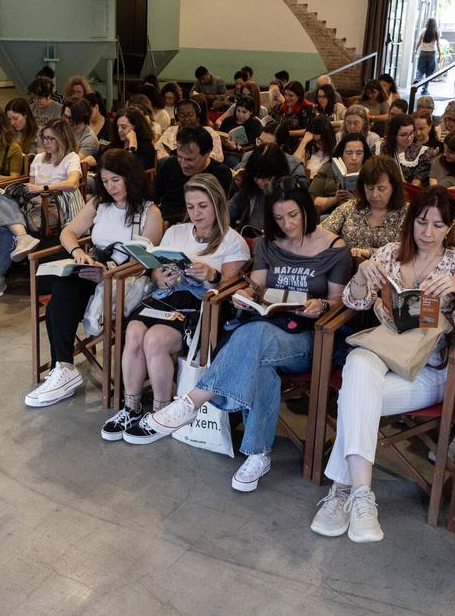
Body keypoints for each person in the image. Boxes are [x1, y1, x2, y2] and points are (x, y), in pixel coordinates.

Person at [125, 178, 353, 496]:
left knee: (253, 335)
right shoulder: (270, 245)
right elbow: (256, 286)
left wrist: (322, 305)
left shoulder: (335, 249)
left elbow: (340, 300)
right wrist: (245, 295)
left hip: (308, 337)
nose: (286, 224)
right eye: (278, 218)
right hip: (267, 328)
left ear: (307, 211)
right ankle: (258, 454)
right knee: (259, 360)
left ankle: (190, 402)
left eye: (293, 215)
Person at [312, 186, 455, 541]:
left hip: (428, 368)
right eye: (422, 222)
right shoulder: (390, 254)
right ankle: (362, 496)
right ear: (411, 222)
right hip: (381, 349)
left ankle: (342, 491)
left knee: (353, 398)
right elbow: (355, 303)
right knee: (358, 362)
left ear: (449, 227)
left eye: (438, 225)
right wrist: (361, 276)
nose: (428, 232)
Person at [105, 174, 251, 439]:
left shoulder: (232, 240)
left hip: (204, 305)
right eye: (191, 206)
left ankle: (161, 414)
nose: (196, 213)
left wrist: (211, 276)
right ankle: (132, 406)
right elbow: (156, 275)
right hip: (167, 295)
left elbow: (235, 289)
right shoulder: (175, 232)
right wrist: (164, 276)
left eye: (203, 206)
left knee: (154, 340)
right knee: (135, 331)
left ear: (218, 204)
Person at [24, 150, 165, 406]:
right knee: (63, 286)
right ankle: (65, 367)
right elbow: (68, 232)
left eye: (116, 180)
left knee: (60, 301)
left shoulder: (150, 212)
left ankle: (62, 367)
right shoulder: (99, 203)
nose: (111, 187)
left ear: (130, 178)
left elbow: (146, 260)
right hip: (95, 269)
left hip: (127, 280)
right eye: (106, 180)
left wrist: (108, 274)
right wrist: (79, 253)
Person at [0, 118, 84, 298]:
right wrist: (26, 191)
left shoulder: (71, 158)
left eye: (51, 139)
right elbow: (31, 187)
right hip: (35, 203)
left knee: (6, 227)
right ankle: (22, 237)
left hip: (56, 205)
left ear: (62, 138)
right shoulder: (38, 159)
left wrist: (43, 188)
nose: (46, 143)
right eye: (44, 138)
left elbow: (73, 183)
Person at [322, 155, 408, 260]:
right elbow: (322, 232)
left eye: (381, 189)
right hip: (346, 267)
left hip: (385, 271)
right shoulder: (352, 206)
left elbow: (411, 250)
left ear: (393, 187)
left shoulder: (408, 213)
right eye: (369, 187)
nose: (374, 195)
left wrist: (370, 252)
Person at [152, 126, 233, 224]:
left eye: (189, 159)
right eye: (180, 157)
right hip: (162, 222)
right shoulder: (170, 163)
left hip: (196, 225)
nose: (183, 164)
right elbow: (152, 194)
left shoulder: (220, 173)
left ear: (207, 153)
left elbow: (212, 212)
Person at [228, 143, 292, 235]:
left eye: (265, 178)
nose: (259, 182)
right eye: (256, 176)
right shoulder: (251, 188)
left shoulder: (290, 196)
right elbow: (230, 209)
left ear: (278, 175)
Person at [309, 132, 372, 214]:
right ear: (341, 154)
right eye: (349, 153)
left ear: (364, 154)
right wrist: (335, 199)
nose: (354, 158)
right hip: (329, 215)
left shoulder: (371, 171)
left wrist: (356, 200)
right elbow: (310, 200)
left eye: (359, 153)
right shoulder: (328, 168)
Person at [158, 98, 224, 163]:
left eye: (190, 115)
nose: (187, 119)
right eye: (182, 115)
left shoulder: (209, 131)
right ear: (177, 116)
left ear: (196, 115)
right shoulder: (171, 130)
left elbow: (219, 157)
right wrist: (175, 160)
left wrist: (194, 158)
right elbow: (158, 149)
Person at [383, 113, 430, 186]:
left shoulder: (421, 152)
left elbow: (415, 185)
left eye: (411, 133)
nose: (409, 138)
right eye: (404, 135)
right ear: (394, 135)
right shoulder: (381, 148)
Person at [63, 97, 100, 165]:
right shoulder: (64, 129)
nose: (67, 121)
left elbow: (74, 163)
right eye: (65, 116)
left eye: (71, 118)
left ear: (81, 118)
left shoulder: (89, 139)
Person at [413, 18, 441, 95]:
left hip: (423, 53)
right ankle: (424, 90)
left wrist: (415, 50)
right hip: (432, 54)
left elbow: (419, 41)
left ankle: (417, 80)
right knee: (429, 73)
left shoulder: (423, 30)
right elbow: (438, 44)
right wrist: (440, 55)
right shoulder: (437, 32)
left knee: (420, 70)